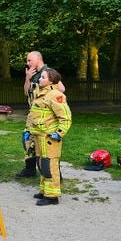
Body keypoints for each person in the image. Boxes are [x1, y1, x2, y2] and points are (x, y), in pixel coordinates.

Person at [16, 51, 65, 178]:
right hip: (33, 115)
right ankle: (30, 169)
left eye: (29, 60)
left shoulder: (47, 72)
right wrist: (27, 78)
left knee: (47, 148)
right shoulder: (33, 74)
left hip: (45, 117)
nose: (27, 63)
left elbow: (62, 89)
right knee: (27, 141)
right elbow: (27, 92)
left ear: (38, 59)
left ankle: (55, 174)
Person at [27, 68, 71, 206]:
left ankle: (52, 196)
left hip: (49, 138)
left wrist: (58, 133)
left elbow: (65, 117)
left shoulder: (55, 95)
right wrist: (29, 130)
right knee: (41, 164)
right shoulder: (40, 94)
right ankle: (44, 190)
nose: (40, 79)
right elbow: (32, 114)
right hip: (39, 135)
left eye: (43, 77)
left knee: (49, 165)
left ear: (51, 80)